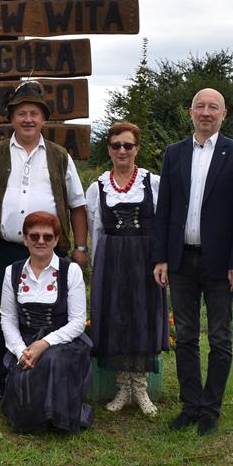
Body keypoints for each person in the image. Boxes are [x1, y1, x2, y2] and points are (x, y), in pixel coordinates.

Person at [151, 88, 233, 436]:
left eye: (213, 107)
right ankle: (191, 404)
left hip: (221, 262)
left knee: (221, 337)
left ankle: (212, 407)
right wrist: (161, 257)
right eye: (200, 106)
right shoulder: (174, 153)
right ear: (190, 113)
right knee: (186, 335)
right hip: (181, 259)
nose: (206, 112)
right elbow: (164, 209)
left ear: (224, 114)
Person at [0, 81, 89, 401]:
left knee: (50, 316)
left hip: (49, 249)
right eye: (21, 113)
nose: (28, 119)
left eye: (34, 113)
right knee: (1, 317)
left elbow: (77, 205)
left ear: (44, 119)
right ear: (12, 118)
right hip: (3, 249)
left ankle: (47, 375)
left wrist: (80, 248)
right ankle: (6, 381)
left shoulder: (59, 156)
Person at [87, 121, 168, 417]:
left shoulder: (153, 182)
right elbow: (95, 228)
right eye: (116, 145)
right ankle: (123, 386)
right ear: (109, 149)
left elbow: (163, 225)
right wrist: (98, 268)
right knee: (116, 317)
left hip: (145, 257)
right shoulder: (97, 187)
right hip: (111, 257)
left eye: (128, 145)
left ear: (137, 148)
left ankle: (141, 386)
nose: (122, 150)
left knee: (142, 315)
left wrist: (162, 260)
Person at [0, 212, 93, 433]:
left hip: (64, 341)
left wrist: (45, 343)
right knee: (29, 365)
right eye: (34, 236)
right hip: (26, 341)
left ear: (56, 239)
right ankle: (32, 417)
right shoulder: (11, 271)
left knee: (53, 359)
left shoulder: (71, 271)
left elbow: (78, 322)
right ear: (25, 239)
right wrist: (21, 350)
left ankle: (57, 417)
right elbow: (8, 318)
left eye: (47, 237)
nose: (40, 241)